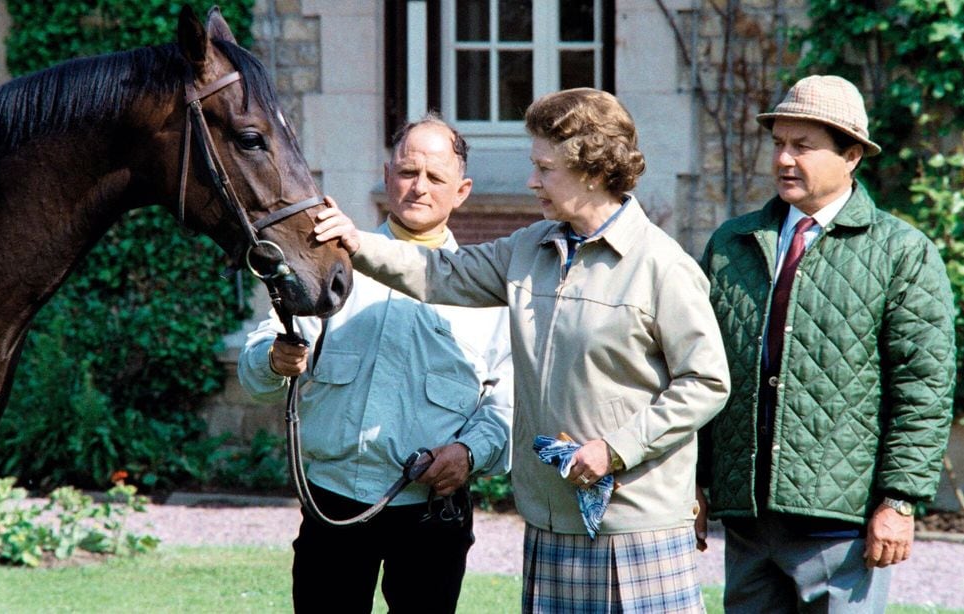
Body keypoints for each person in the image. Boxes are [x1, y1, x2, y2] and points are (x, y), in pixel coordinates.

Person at [313, 88, 730, 612]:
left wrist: (614, 447)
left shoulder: (662, 267)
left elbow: (707, 381)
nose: (531, 180)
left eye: (544, 168)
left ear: (593, 171)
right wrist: (354, 241)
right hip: (549, 520)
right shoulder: (529, 246)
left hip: (635, 526)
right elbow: (440, 272)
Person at [697, 75, 956, 612]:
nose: (785, 159)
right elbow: (700, 373)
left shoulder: (903, 252)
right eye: (779, 144)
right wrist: (693, 485)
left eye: (804, 146)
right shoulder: (731, 244)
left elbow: (924, 390)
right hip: (746, 523)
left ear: (852, 155)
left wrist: (899, 501)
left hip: (842, 526)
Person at [238, 114, 513, 614]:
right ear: (387, 176)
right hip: (333, 502)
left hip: (433, 511)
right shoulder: (329, 264)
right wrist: (275, 360)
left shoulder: (488, 290)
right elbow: (257, 367)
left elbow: (507, 403)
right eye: (408, 173)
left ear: (463, 190)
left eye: (435, 178)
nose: (418, 188)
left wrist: (469, 453)